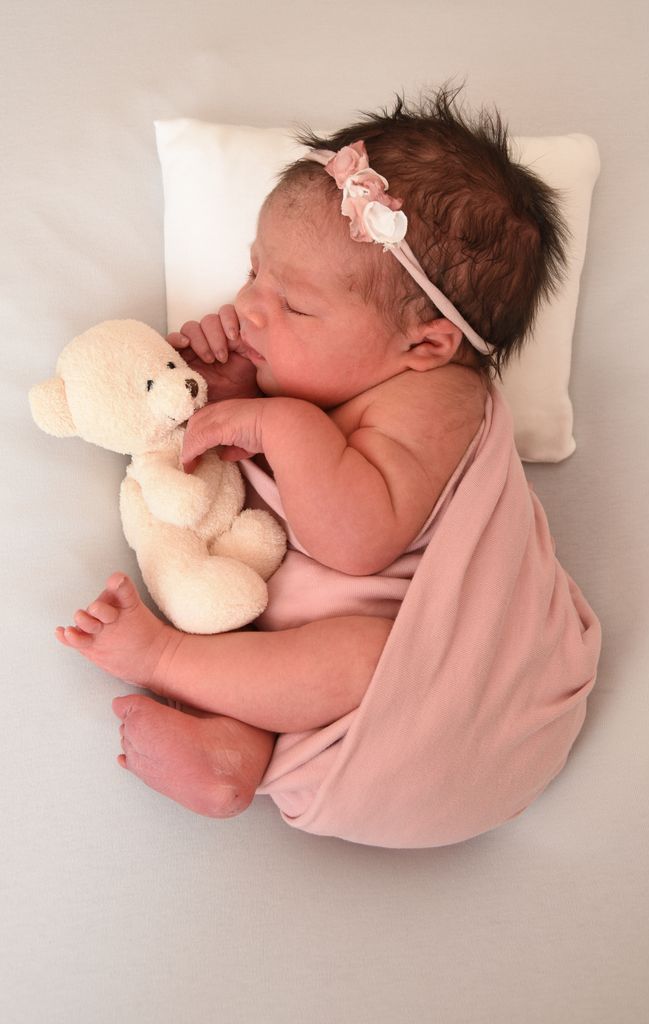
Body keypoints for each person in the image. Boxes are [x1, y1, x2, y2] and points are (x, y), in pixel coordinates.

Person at [56, 86, 567, 821]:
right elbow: (264, 475)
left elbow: (353, 542)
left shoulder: (441, 402)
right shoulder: (342, 370)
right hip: (312, 646)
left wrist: (278, 423)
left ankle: (165, 660)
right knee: (265, 625)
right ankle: (233, 752)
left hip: (436, 704)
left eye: (293, 304)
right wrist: (223, 387)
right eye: (253, 270)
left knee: (355, 660)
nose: (249, 306)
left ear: (426, 345)